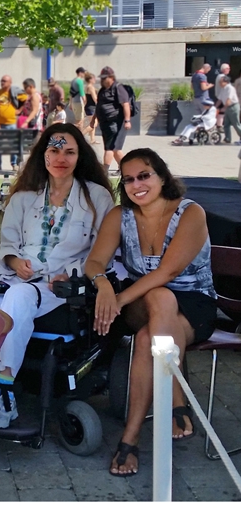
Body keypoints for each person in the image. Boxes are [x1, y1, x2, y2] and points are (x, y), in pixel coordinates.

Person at [0, 123, 114, 428]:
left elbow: (102, 251)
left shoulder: (97, 197)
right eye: (54, 150)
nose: (61, 157)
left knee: (19, 295)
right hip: (16, 276)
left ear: (80, 156)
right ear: (43, 155)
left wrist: (71, 275)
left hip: (59, 286)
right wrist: (12, 260)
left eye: (69, 151)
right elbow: (7, 245)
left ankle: (2, 389)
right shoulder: (24, 197)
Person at [85, 148, 217, 476]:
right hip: (142, 305)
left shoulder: (190, 213)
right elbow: (94, 262)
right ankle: (177, 400)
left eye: (144, 175)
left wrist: (119, 299)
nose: (136, 184)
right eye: (128, 179)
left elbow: (169, 272)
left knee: (147, 338)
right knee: (157, 299)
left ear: (161, 176)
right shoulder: (121, 216)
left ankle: (129, 440)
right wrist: (103, 286)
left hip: (194, 305)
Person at [91, 66, 131, 174]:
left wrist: (127, 120)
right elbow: (99, 106)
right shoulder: (103, 90)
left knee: (110, 148)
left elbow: (126, 105)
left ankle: (104, 171)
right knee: (116, 149)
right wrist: (94, 119)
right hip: (105, 123)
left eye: (104, 78)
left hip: (116, 123)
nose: (102, 80)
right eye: (101, 78)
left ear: (111, 77)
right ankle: (125, 168)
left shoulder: (118, 88)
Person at [0, 74, 27, 173]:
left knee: (13, 144)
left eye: (4, 81)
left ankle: (14, 163)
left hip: (12, 123)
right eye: (1, 81)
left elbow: (25, 100)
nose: (2, 82)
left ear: (10, 82)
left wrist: (19, 110)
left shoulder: (14, 92)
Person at [215, 75, 241, 145]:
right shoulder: (223, 88)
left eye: (221, 82)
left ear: (225, 82)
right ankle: (227, 139)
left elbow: (228, 100)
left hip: (233, 107)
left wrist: (224, 108)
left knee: (236, 124)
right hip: (228, 107)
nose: (219, 83)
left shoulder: (230, 88)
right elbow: (220, 99)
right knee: (226, 124)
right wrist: (215, 107)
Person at [82, 72, 99, 144]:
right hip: (92, 107)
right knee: (94, 124)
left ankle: (92, 139)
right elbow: (95, 98)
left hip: (88, 106)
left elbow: (85, 99)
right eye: (94, 78)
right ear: (90, 79)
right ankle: (80, 135)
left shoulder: (86, 87)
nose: (95, 80)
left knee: (92, 123)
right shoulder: (91, 87)